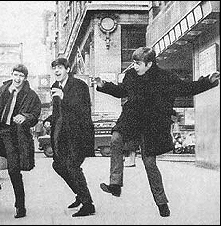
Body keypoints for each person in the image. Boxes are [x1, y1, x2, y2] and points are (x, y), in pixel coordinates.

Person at [94, 47, 220, 217]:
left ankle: (161, 203)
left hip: (152, 125)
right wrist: (104, 86)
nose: (134, 66)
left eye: (138, 63)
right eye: (133, 62)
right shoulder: (131, 75)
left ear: (149, 64)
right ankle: (115, 184)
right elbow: (121, 90)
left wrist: (208, 81)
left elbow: (187, 88)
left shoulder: (165, 78)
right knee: (116, 137)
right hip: (131, 120)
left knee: (150, 164)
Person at [0, 64, 41, 218]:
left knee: (14, 171)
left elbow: (35, 115)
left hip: (15, 136)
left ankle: (20, 207)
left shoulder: (31, 95)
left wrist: (26, 117)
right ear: (11, 75)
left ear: (25, 78)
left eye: (21, 76)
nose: (17, 79)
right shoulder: (4, 90)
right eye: (15, 75)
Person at [49, 57, 95, 217]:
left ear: (67, 69)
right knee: (58, 165)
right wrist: (49, 121)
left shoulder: (79, 85)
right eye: (54, 68)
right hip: (61, 134)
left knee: (72, 166)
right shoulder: (55, 86)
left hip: (78, 133)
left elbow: (82, 110)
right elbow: (57, 112)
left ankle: (88, 204)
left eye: (60, 67)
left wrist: (64, 97)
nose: (57, 71)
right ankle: (80, 195)